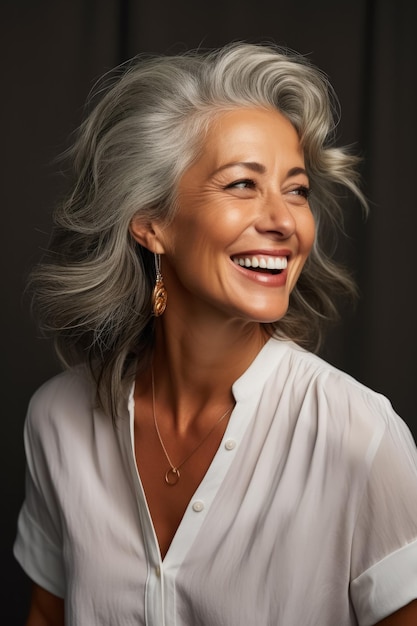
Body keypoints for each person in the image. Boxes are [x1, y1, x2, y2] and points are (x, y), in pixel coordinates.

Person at [14, 42, 417, 626]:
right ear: (151, 222)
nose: (284, 222)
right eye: (242, 185)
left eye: (297, 189)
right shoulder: (57, 420)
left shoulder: (358, 437)